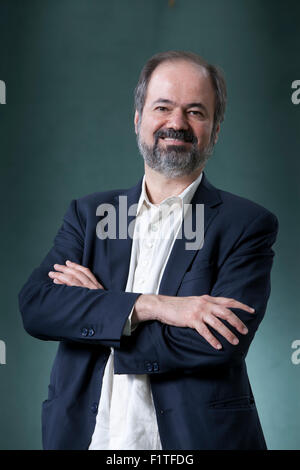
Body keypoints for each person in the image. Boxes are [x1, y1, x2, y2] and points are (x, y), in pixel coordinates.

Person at [18, 51, 278, 450]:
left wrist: (102, 311)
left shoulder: (246, 224)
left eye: (196, 112)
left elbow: (220, 342)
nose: (177, 123)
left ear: (216, 130)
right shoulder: (90, 215)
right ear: (138, 119)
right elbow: (38, 308)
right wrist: (153, 306)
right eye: (163, 107)